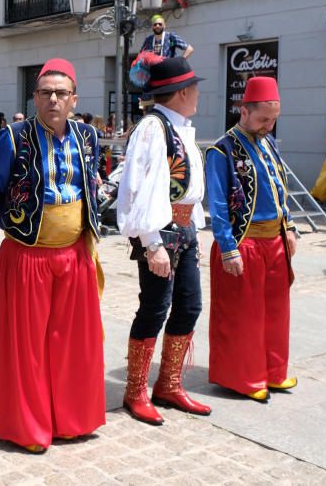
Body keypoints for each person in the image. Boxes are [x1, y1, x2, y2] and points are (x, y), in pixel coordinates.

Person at [0, 58, 105, 450]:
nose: (53, 99)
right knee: (26, 346)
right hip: (27, 256)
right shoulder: (13, 137)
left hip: (74, 254)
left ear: (74, 99)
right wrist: (20, 227)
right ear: (34, 98)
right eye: (45, 92)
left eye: (61, 93)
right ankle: (28, 427)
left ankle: (71, 419)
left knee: (72, 342)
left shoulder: (88, 136)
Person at [117, 56, 211, 426]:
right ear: (182, 92)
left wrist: (195, 232)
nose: (199, 94)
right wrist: (151, 242)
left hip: (184, 230)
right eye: (196, 88)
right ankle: (135, 390)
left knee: (189, 306)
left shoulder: (180, 128)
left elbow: (190, 188)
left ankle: (168, 383)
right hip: (161, 231)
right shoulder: (153, 128)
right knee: (155, 308)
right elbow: (135, 187)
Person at [206, 76, 298, 402]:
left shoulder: (268, 142)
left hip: (274, 241)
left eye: (273, 120)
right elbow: (217, 205)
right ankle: (244, 378)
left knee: (275, 312)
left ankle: (274, 372)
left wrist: (288, 227)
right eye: (263, 119)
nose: (268, 126)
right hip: (244, 242)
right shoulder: (222, 149)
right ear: (243, 111)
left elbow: (279, 188)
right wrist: (228, 248)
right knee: (243, 316)